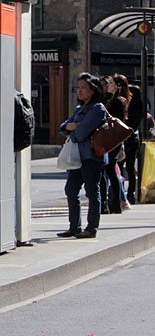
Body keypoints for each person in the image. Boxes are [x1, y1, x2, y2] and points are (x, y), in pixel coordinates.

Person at [58, 73, 107, 239]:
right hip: (77, 157)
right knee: (70, 190)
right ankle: (74, 227)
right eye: (77, 88)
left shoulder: (98, 108)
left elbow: (81, 133)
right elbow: (63, 126)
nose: (79, 91)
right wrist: (70, 127)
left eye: (83, 87)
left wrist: (71, 131)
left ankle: (91, 227)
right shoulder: (80, 109)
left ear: (92, 90)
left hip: (92, 156)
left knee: (92, 192)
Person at [100, 75, 128, 214]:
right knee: (103, 170)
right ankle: (104, 203)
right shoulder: (100, 100)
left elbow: (119, 122)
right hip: (101, 140)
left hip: (113, 140)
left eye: (108, 84)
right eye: (103, 84)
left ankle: (115, 203)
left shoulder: (118, 102)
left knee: (110, 168)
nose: (106, 87)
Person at [124, 83, 144, 205]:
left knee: (121, 167)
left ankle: (126, 193)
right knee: (131, 168)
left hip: (125, 137)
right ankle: (131, 194)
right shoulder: (140, 106)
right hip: (134, 137)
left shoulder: (129, 106)